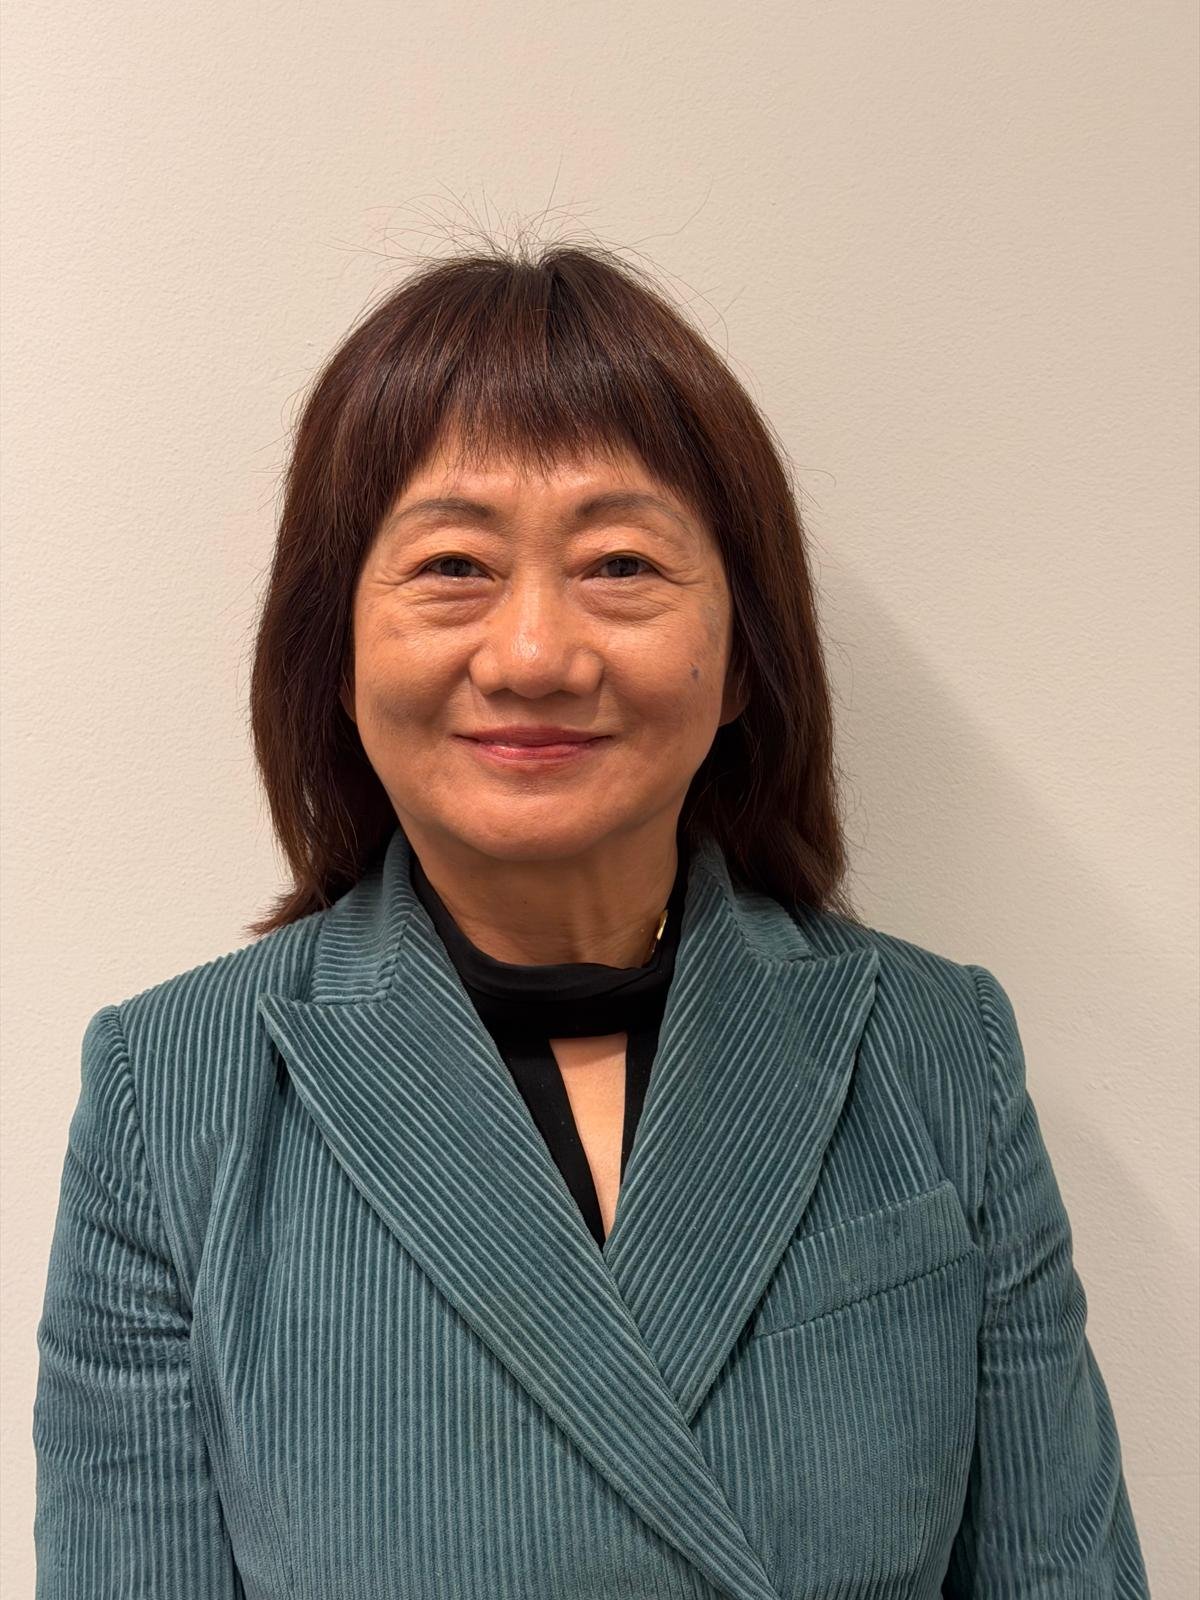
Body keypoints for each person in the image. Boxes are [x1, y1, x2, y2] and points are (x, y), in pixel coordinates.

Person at [32, 242, 1150, 1598]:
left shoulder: (935, 1053)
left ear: (743, 656)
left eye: (621, 563)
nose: (533, 656)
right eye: (453, 565)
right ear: (332, 652)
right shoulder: (176, 1093)